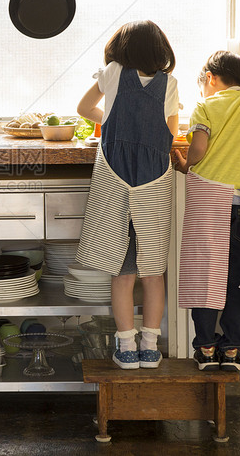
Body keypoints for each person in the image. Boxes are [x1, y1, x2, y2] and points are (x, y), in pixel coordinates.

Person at [75, 20, 179, 369]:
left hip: (116, 177)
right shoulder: (170, 83)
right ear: (160, 50)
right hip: (154, 181)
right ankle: (151, 346)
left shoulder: (113, 72)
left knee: (121, 272)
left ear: (122, 48)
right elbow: (170, 133)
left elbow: (84, 109)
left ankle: (126, 347)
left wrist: (112, 122)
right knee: (153, 271)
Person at [172, 50, 240, 372]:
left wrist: (185, 165)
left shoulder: (206, 105)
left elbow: (199, 148)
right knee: (239, 279)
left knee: (203, 275)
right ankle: (233, 349)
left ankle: (206, 348)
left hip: (208, 201)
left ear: (210, 79)